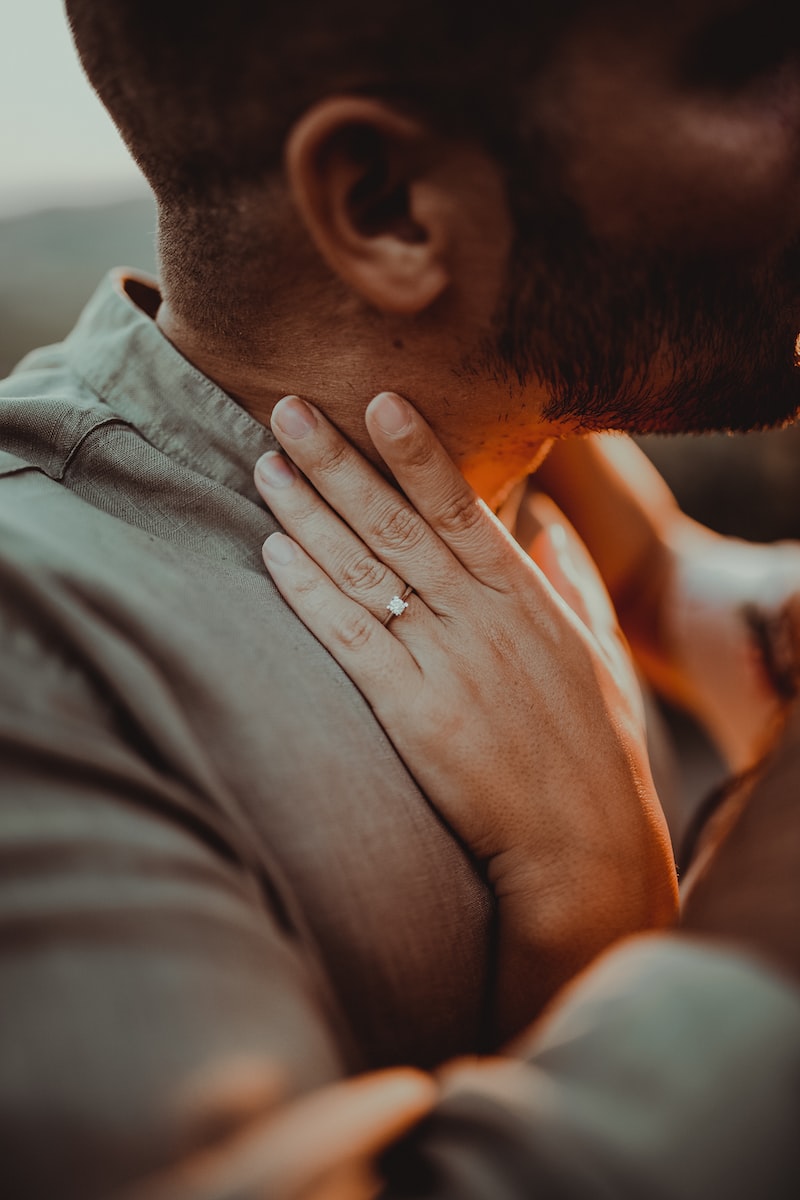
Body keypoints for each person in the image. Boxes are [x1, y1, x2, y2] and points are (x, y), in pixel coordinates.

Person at [0, 0, 799, 1195]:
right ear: (389, 205)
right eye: (746, 56)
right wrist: (750, 933)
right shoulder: (40, 656)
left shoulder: (533, 452)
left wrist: (673, 592)